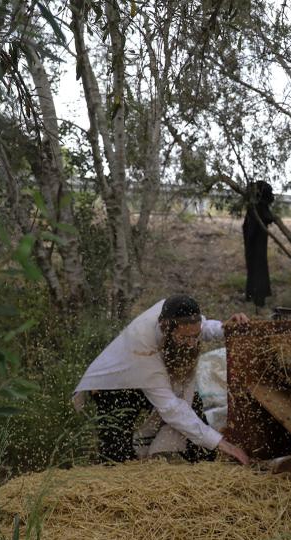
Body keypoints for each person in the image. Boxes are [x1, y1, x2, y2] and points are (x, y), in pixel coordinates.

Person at [73, 295, 251, 466]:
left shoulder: (175, 315)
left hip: (142, 376)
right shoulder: (143, 349)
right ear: (166, 328)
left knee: (192, 406)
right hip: (113, 386)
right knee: (118, 456)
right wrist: (223, 443)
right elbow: (171, 408)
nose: (191, 344)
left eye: (194, 337)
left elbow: (200, 327)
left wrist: (226, 328)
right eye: (184, 338)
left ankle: (203, 460)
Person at [242, 180, 275, 308]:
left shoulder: (257, 206)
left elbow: (267, 217)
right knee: (257, 266)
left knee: (257, 266)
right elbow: (267, 217)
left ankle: (256, 296)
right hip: (255, 242)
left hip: (256, 242)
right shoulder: (256, 207)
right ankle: (257, 297)